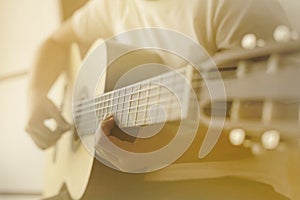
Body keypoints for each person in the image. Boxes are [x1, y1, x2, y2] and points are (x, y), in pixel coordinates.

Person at [26, 0, 294, 199]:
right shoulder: (114, 5)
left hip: (233, 184)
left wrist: (162, 154)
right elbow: (54, 42)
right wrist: (35, 95)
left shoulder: (233, 6)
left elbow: (265, 123)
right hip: (127, 182)